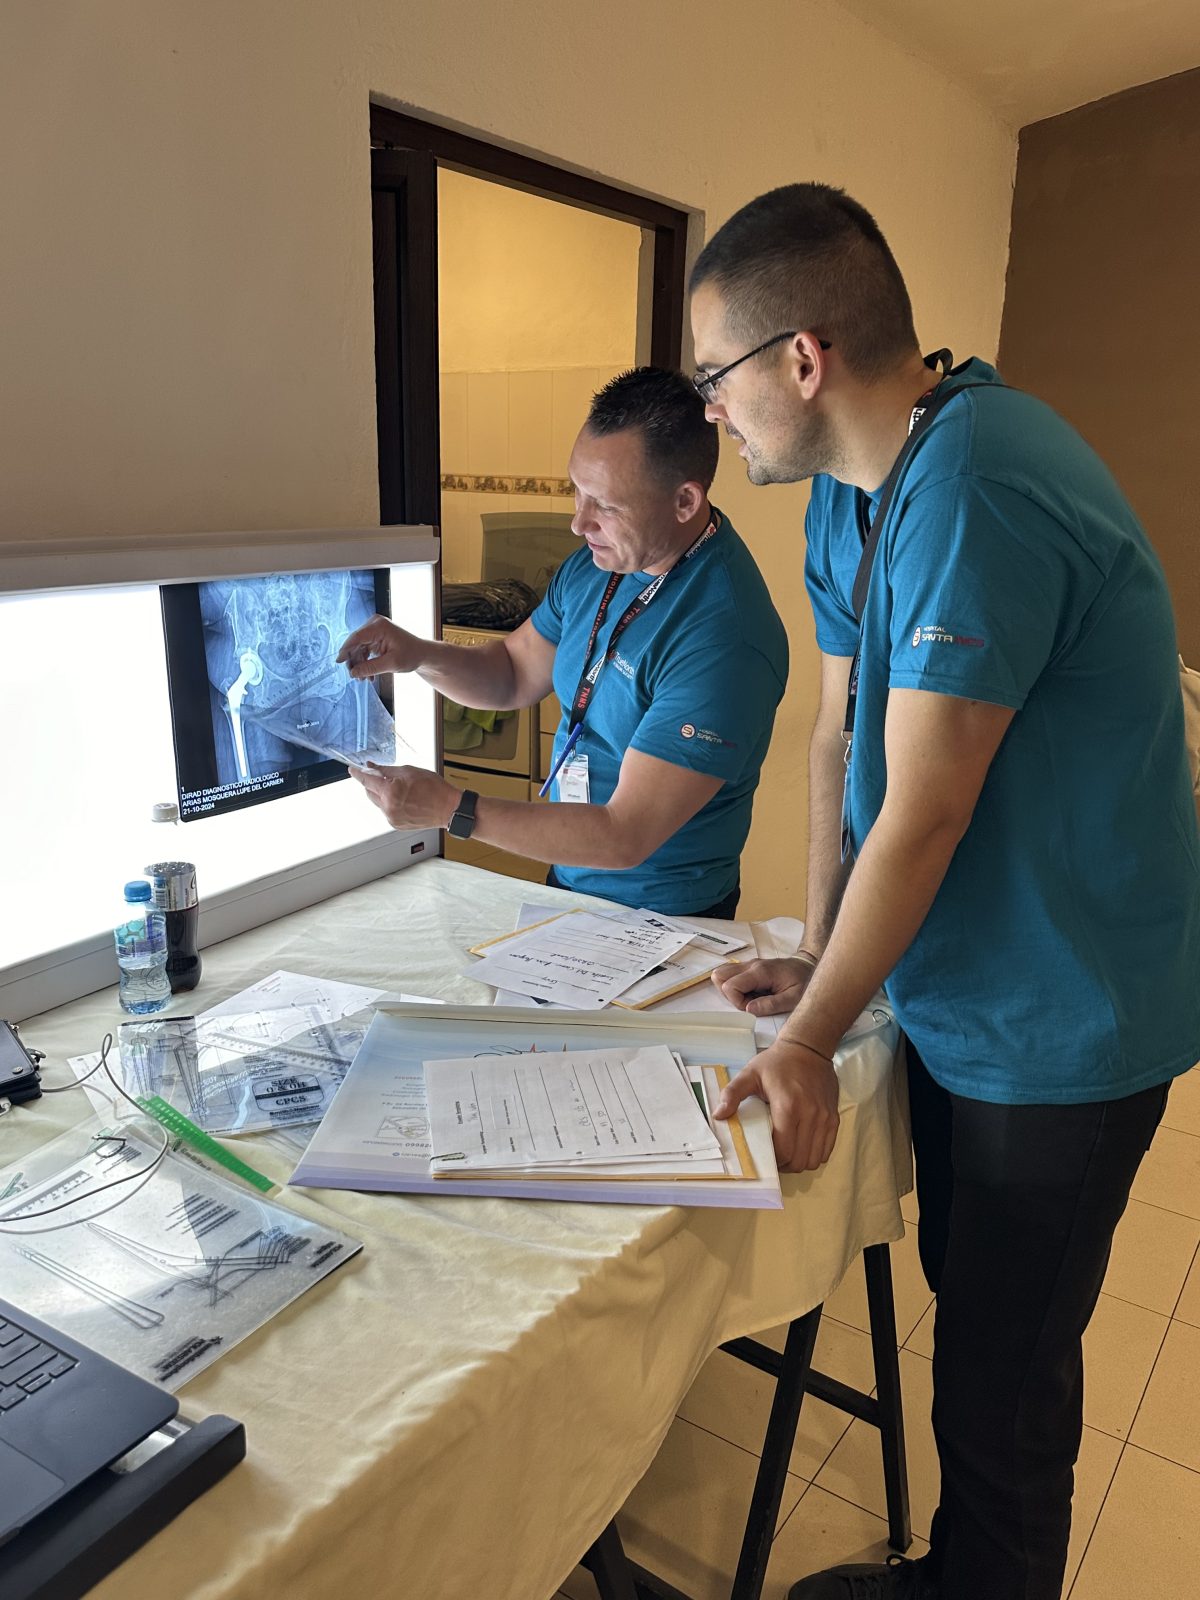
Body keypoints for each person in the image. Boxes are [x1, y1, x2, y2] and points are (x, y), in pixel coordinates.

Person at [688, 184, 1200, 1600]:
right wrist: (817, 956)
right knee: (967, 1310)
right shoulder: (848, 500)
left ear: (802, 358)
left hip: (1070, 1010)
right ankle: (961, 1573)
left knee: (1003, 1373)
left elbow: (925, 806)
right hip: (962, 989)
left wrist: (806, 1042)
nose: (712, 414)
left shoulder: (978, 477)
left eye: (716, 378)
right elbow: (838, 738)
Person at [338, 366, 789, 918]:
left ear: (685, 502)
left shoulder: (725, 640)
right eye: (577, 491)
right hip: (567, 880)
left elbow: (624, 835)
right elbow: (511, 672)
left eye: (606, 505)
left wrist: (453, 809)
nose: (578, 522)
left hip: (666, 917)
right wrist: (419, 656)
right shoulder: (597, 566)